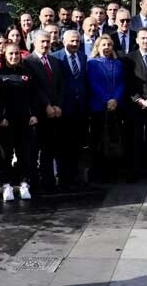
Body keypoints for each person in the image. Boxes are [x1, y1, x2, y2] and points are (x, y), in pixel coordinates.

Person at [0, 43, 39, 202]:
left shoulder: (27, 74)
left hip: (25, 121)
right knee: (5, 155)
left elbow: (34, 96)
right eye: (10, 54)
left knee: (24, 153)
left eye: (17, 54)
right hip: (5, 122)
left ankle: (24, 183)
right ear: (4, 55)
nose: (14, 57)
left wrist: (34, 114)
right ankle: (6, 184)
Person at [24, 31, 63, 192]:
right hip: (38, 112)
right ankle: (34, 182)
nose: (46, 44)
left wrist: (58, 105)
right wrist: (46, 105)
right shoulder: (28, 62)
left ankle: (49, 181)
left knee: (50, 148)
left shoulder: (54, 61)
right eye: (42, 42)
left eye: (48, 41)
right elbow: (34, 88)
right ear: (34, 42)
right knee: (33, 150)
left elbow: (61, 86)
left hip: (55, 113)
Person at [52, 30, 90, 188]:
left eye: (77, 41)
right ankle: (63, 177)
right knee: (62, 145)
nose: (75, 44)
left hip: (80, 108)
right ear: (63, 41)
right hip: (64, 107)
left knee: (78, 144)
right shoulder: (56, 57)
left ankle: (76, 177)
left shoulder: (83, 56)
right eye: (72, 41)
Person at [87, 36, 125, 183]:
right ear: (98, 46)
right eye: (103, 44)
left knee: (114, 140)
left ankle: (113, 173)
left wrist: (115, 99)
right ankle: (98, 173)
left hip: (116, 107)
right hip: (98, 107)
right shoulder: (92, 63)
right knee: (99, 141)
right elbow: (93, 83)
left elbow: (122, 83)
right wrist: (107, 100)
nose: (107, 47)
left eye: (109, 45)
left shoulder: (118, 63)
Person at [124, 29, 147, 183]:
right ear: (137, 40)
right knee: (135, 139)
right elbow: (127, 82)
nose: (146, 41)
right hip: (136, 105)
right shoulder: (129, 59)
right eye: (143, 38)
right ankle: (134, 171)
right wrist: (138, 99)